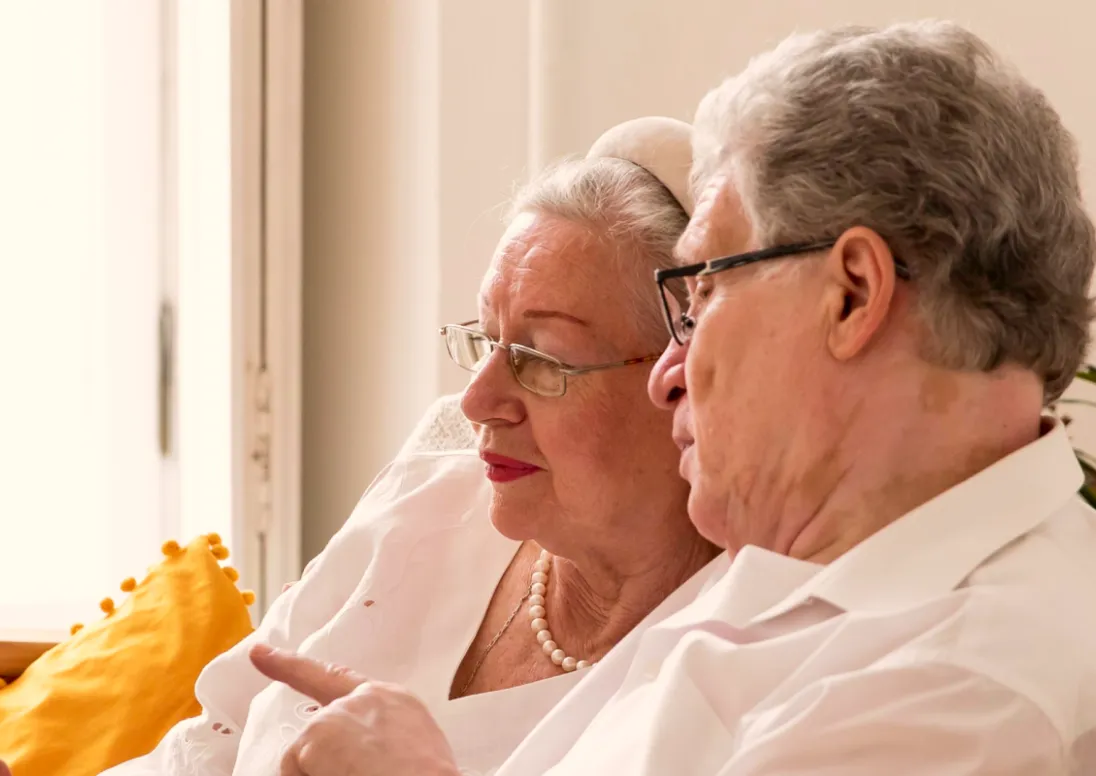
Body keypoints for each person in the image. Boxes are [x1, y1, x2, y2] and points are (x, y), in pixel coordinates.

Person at [249, 20, 1096, 775]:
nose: (669, 372)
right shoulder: (819, 573)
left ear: (852, 294)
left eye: (702, 295)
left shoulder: (959, 689)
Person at [101, 116, 719, 776]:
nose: (478, 402)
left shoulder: (727, 667)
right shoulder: (426, 505)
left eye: (542, 358)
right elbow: (204, 750)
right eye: (486, 341)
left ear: (685, 381)